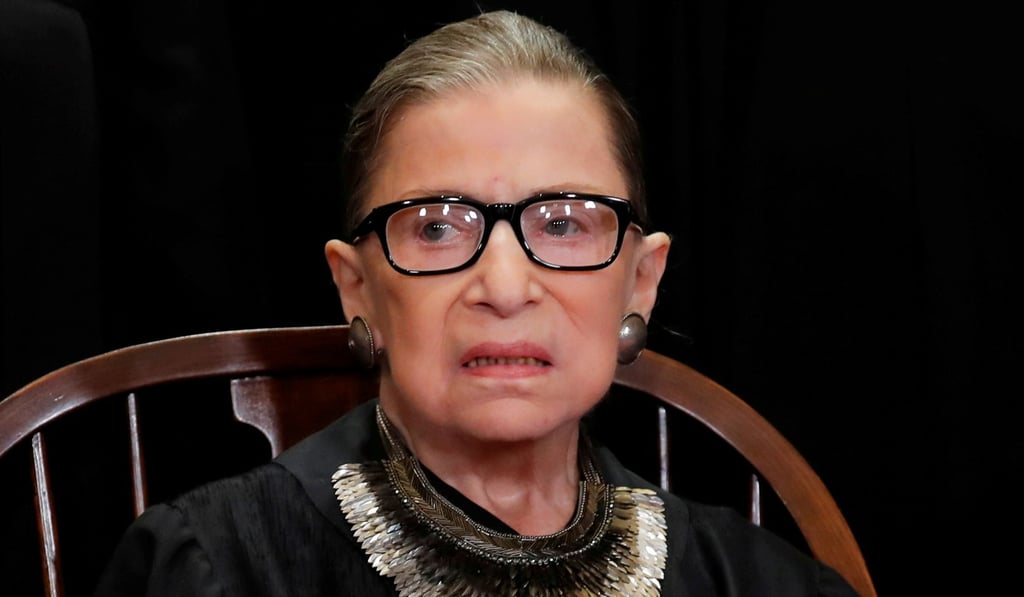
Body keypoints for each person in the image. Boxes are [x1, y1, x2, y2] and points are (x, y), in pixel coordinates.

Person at [94, 10, 858, 596]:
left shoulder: (758, 579)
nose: (504, 285)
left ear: (642, 280)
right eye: (436, 227)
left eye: (561, 223)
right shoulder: (213, 568)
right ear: (356, 285)